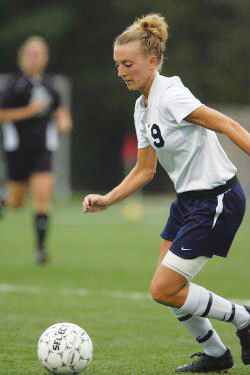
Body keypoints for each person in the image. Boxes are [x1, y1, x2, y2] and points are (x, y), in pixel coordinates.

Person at [83, 13, 250, 372]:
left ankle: (244, 318)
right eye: (117, 65)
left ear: (153, 61)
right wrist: (109, 199)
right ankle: (217, 356)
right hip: (188, 202)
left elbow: (227, 124)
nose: (121, 71)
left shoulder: (171, 94)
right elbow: (145, 169)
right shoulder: (141, 107)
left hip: (217, 199)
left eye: (128, 64)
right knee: (169, 289)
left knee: (164, 288)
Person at [0, 35, 73, 264]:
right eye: (30, 54)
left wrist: (64, 120)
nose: (34, 58)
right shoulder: (14, 84)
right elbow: (2, 114)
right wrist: (30, 110)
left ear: (45, 57)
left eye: (38, 54)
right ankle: (3, 199)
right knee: (16, 202)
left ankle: (40, 249)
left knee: (42, 195)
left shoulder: (50, 85)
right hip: (17, 149)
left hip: (43, 148)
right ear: (22, 57)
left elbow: (60, 109)